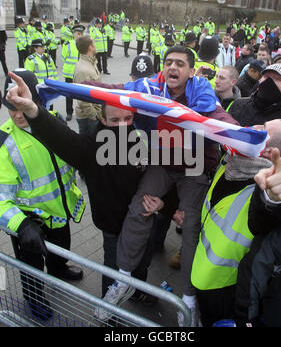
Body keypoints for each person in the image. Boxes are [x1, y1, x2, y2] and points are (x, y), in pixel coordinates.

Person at [82, 45, 239, 326]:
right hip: (164, 163)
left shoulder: (201, 90)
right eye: (168, 62)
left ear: (191, 71)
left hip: (195, 166)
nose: (173, 68)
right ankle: (124, 279)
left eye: (180, 63)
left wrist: (242, 135)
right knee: (139, 206)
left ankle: (188, 301)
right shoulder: (149, 86)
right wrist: (85, 86)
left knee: (190, 226)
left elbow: (219, 117)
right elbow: (118, 90)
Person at [5, 70, 163, 310]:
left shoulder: (143, 138)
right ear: (102, 119)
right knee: (113, 272)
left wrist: (164, 204)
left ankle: (138, 291)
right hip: (112, 226)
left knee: (142, 262)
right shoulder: (91, 147)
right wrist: (33, 111)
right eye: (114, 120)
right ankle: (109, 312)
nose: (122, 126)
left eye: (127, 119)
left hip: (143, 220)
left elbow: (164, 173)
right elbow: (62, 138)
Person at [191, 119, 281, 326]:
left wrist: (274, 198)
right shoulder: (233, 161)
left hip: (222, 287)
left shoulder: (263, 186)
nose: (254, 126)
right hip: (201, 267)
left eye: (262, 130)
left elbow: (266, 212)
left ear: (268, 153)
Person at [1, 70, 86, 321]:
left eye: (21, 105)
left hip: (60, 211)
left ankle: (58, 269)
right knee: (31, 268)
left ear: (36, 101)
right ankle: (34, 298)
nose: (17, 114)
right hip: (29, 223)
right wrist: (21, 225)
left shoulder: (54, 120)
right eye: (10, 107)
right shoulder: (4, 140)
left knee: (60, 250)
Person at [229, 63, 281, 130]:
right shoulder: (239, 105)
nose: (269, 81)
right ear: (260, 80)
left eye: (277, 78)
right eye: (266, 77)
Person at [73, 35, 102, 136]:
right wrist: (94, 116)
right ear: (90, 47)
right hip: (88, 118)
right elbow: (81, 98)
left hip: (93, 114)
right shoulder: (83, 70)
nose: (96, 46)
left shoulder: (91, 63)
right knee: (90, 147)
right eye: (94, 44)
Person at [62, 24, 85, 121]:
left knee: (82, 93)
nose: (79, 35)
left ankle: (82, 111)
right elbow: (64, 57)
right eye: (78, 33)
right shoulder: (67, 44)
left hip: (81, 73)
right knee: (69, 94)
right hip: (70, 73)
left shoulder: (84, 44)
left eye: (81, 34)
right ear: (74, 34)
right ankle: (69, 112)